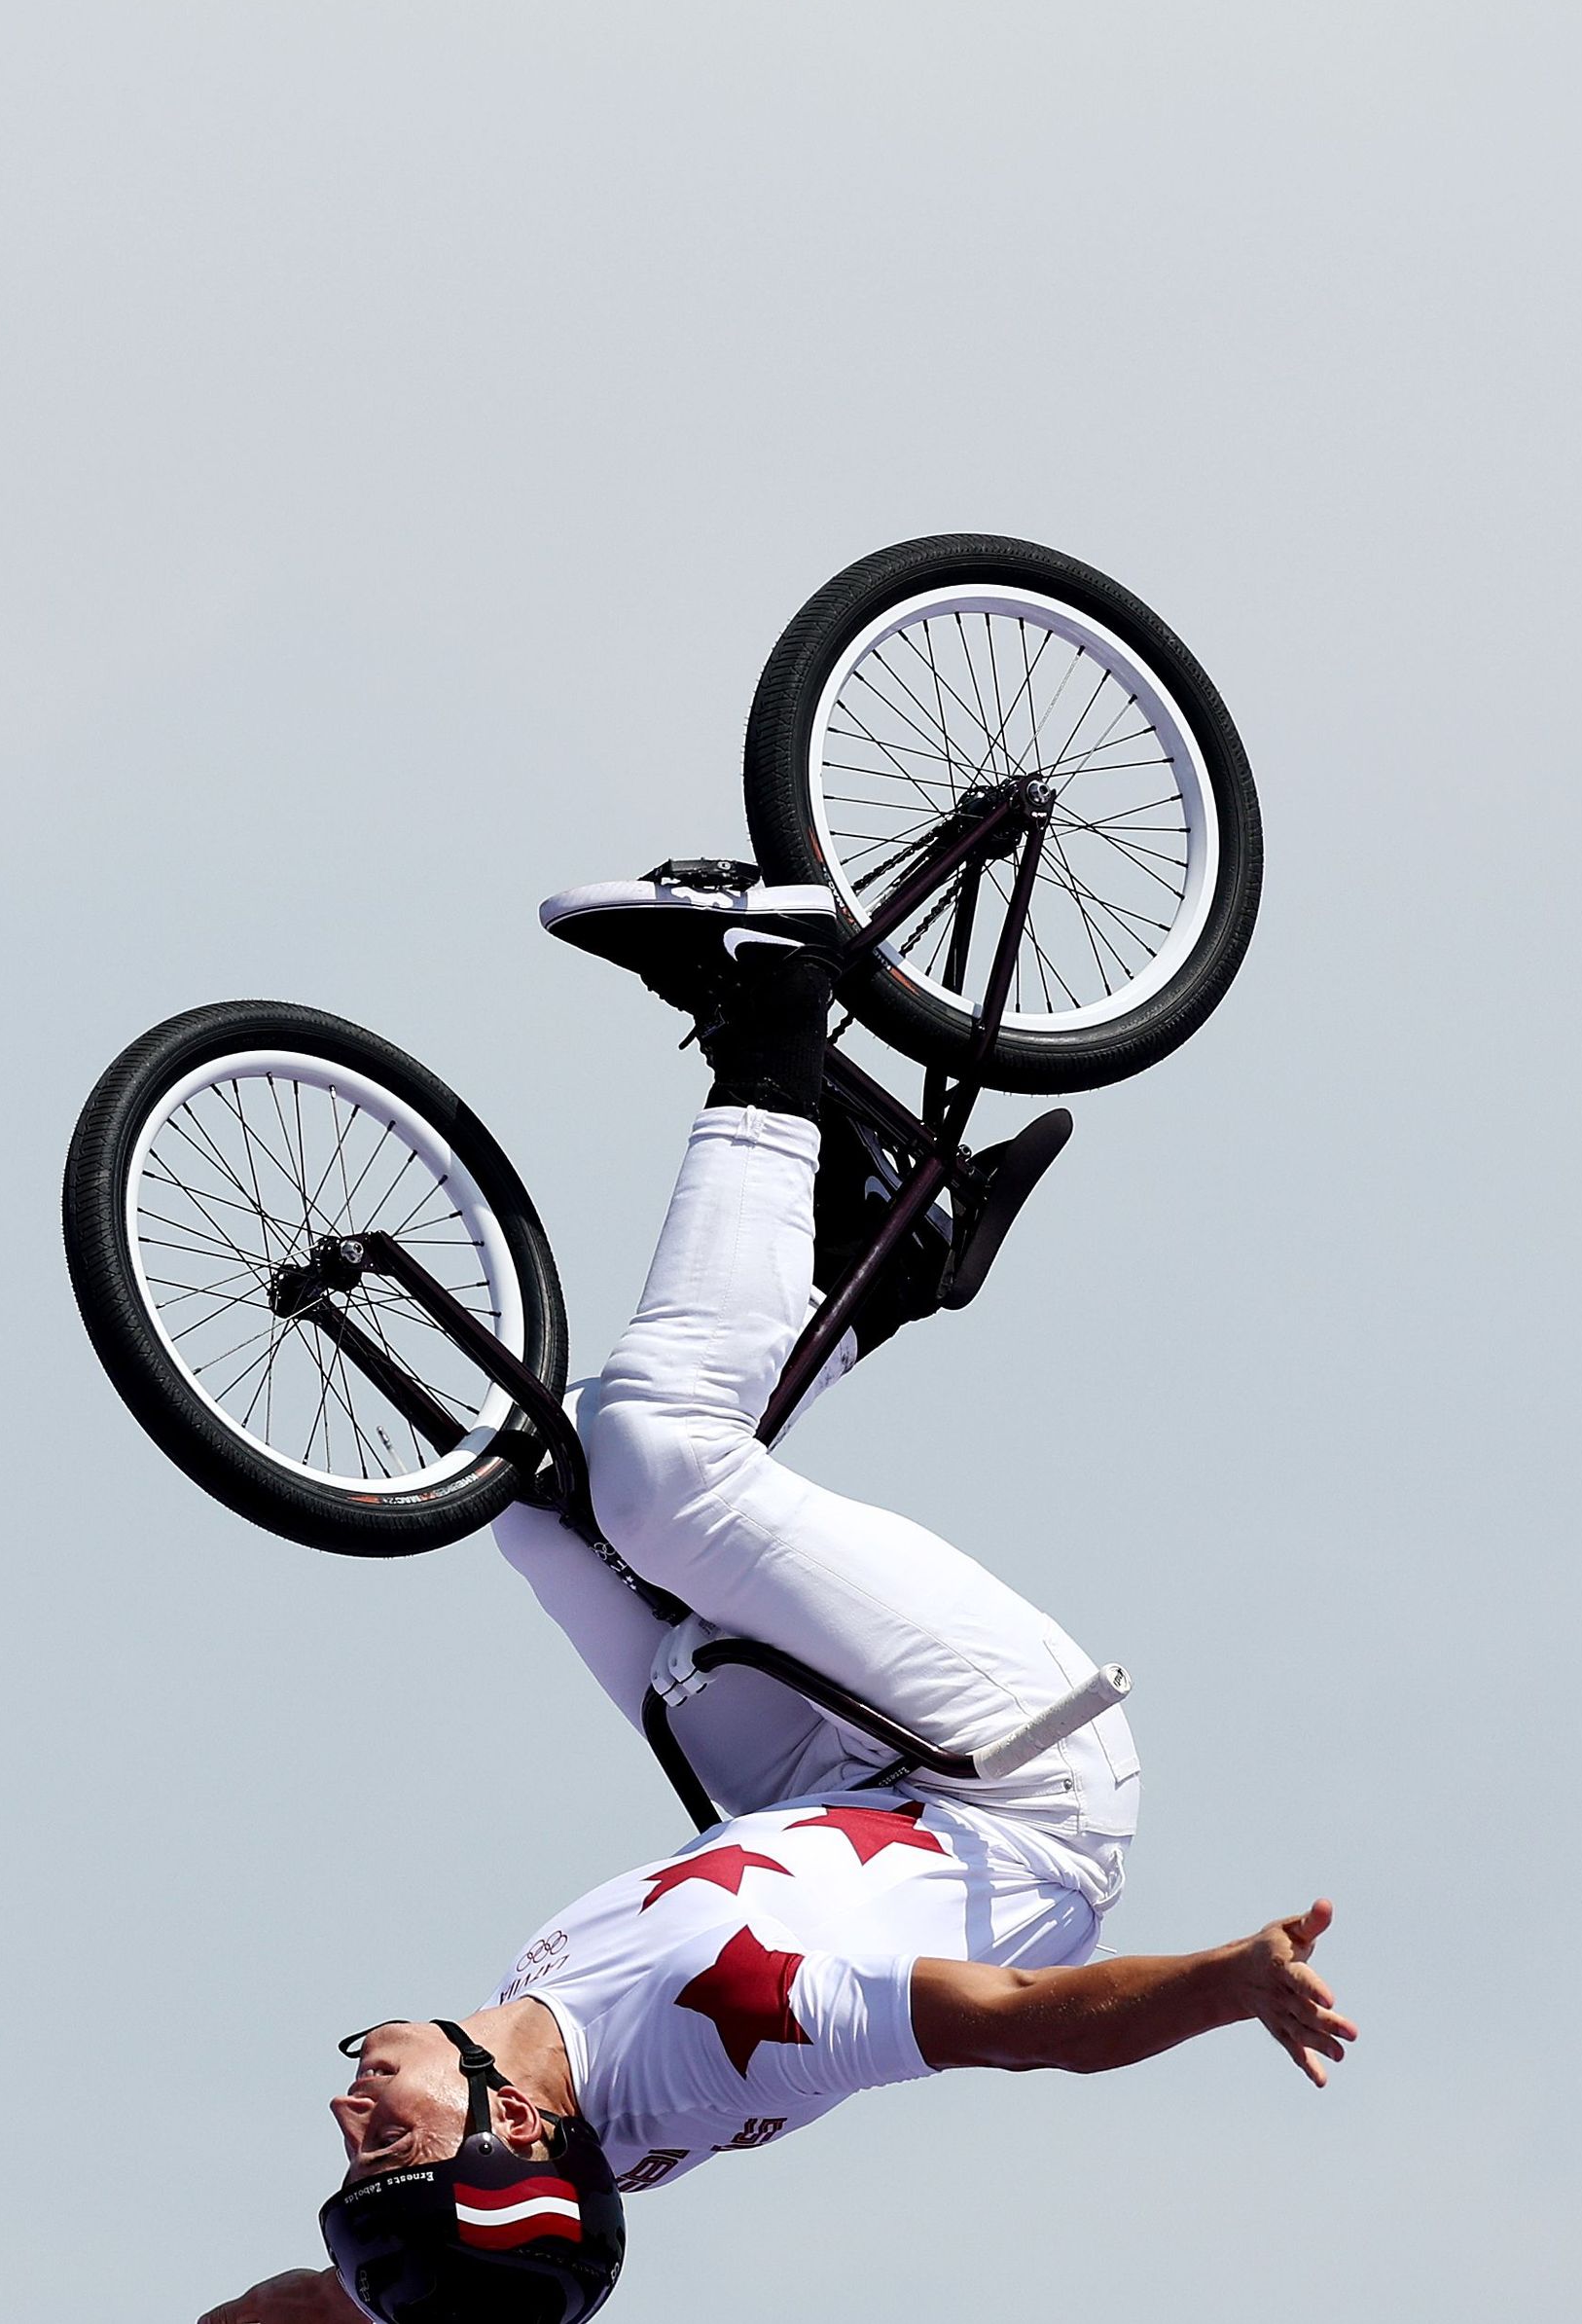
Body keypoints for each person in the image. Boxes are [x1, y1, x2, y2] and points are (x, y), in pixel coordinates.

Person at [204, 868, 1357, 2324]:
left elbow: (312, 2312)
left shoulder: (529, 2139)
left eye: (358, 2163)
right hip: (1019, 1782)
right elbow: (1016, 2029)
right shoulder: (737, 2023)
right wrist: (1222, 1982)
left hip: (831, 1796)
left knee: (538, 1508)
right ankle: (777, 998)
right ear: (521, 2135)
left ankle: (895, 1247)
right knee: (657, 1468)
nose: (349, 2125)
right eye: (395, 2149)